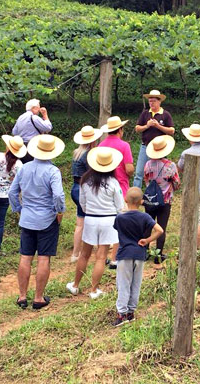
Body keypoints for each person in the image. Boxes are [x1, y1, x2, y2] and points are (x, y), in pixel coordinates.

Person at [9, 134, 66, 310]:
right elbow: (57, 195)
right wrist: (59, 210)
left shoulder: (24, 168)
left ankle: (22, 296)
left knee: (25, 257)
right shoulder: (52, 171)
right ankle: (38, 297)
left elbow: (12, 192)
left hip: (27, 219)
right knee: (43, 258)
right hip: (47, 219)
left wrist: (19, 209)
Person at [66, 146, 125, 300]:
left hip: (91, 219)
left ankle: (75, 285)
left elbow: (82, 203)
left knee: (84, 254)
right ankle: (94, 289)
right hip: (108, 220)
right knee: (101, 256)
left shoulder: (85, 181)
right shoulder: (113, 182)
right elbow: (120, 206)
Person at [112, 188, 163, 327]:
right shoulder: (145, 217)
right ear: (141, 202)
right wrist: (147, 240)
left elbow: (117, 230)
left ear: (126, 200)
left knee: (123, 284)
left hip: (124, 254)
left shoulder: (120, 218)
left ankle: (121, 314)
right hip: (140, 254)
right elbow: (160, 230)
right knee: (136, 283)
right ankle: (130, 312)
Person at [98, 116, 134, 268]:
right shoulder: (124, 146)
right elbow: (129, 169)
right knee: (121, 224)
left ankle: (102, 257)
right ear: (120, 130)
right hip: (121, 187)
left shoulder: (101, 145)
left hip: (103, 187)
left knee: (107, 221)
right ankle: (115, 258)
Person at [142, 135, 180, 264]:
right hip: (165, 200)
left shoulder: (147, 164)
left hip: (151, 200)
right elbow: (177, 184)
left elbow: (146, 181)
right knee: (162, 227)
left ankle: (145, 252)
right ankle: (158, 255)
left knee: (148, 225)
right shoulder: (170, 165)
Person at [69, 125, 103, 262]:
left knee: (80, 223)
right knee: (93, 219)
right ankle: (93, 248)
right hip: (85, 189)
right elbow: (93, 173)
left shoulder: (77, 152)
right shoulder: (89, 155)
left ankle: (75, 253)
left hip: (75, 188)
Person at [133, 90, 175, 188]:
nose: (151, 103)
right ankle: (135, 195)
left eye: (153, 101)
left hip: (161, 149)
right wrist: (147, 126)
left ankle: (158, 193)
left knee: (160, 172)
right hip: (145, 146)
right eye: (150, 101)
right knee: (139, 173)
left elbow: (172, 130)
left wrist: (158, 126)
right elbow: (137, 128)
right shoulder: (145, 114)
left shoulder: (165, 114)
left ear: (159, 101)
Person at [12, 98, 52, 163]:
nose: (39, 110)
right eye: (38, 108)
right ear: (34, 108)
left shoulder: (20, 117)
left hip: (21, 147)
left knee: (25, 165)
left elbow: (14, 132)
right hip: (33, 145)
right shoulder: (34, 117)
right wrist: (45, 115)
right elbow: (48, 127)